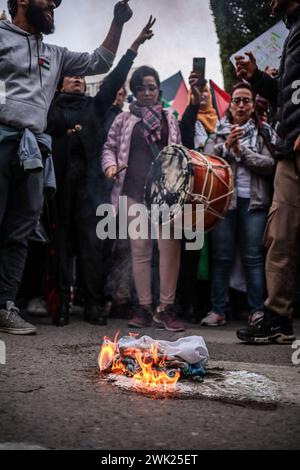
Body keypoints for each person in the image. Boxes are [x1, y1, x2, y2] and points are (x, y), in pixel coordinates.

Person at [0, 0, 133, 335]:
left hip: (33, 154)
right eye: (49, 1)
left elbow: (100, 60)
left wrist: (117, 23)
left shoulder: (56, 54)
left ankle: (4, 306)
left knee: (18, 234)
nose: (54, 5)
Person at [46, 18, 155, 327]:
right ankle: (60, 305)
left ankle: (93, 304)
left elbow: (115, 78)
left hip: (92, 189)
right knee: (60, 244)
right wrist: (68, 134)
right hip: (58, 186)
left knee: (93, 246)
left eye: (81, 75)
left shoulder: (95, 106)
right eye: (70, 75)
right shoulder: (48, 106)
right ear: (59, 82)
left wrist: (133, 47)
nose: (77, 78)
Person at [235, 0, 300, 344]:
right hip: (289, 151)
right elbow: (285, 96)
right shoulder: (292, 33)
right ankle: (277, 318)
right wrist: (257, 78)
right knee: (281, 235)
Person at [102, 65, 185, 332]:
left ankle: (166, 308)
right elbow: (110, 147)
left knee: (169, 249)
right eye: (141, 88)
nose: (147, 92)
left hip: (166, 194)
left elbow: (179, 152)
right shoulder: (124, 120)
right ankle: (144, 308)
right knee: (140, 250)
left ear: (159, 89)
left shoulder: (170, 117)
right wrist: (110, 167)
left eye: (151, 87)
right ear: (134, 91)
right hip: (133, 191)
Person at [201, 82, 277, 327]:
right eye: (237, 100)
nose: (242, 105)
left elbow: (271, 164)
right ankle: (218, 310)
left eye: (246, 100)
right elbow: (207, 163)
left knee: (253, 257)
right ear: (230, 104)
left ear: (253, 105)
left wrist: (241, 151)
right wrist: (227, 147)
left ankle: (257, 311)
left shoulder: (265, 131)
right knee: (221, 257)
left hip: (254, 202)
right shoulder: (218, 132)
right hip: (225, 204)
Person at [179, 74, 218, 322]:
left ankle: (210, 305)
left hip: (217, 198)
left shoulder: (222, 124)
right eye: (199, 92)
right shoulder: (190, 121)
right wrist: (192, 105)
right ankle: (188, 305)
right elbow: (184, 137)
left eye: (207, 92)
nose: (203, 95)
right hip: (194, 196)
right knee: (192, 251)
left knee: (216, 253)